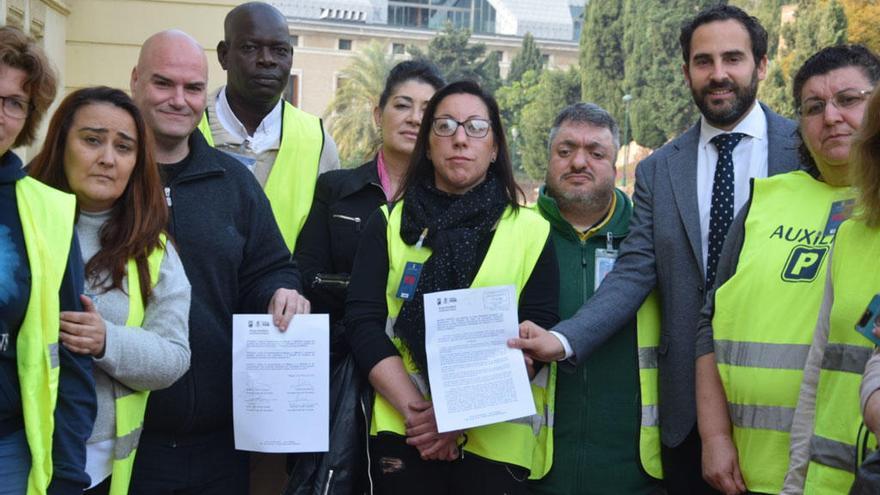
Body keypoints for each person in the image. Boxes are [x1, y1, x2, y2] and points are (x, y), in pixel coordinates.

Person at [508, 4, 800, 493]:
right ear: (686, 71)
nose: (719, 74)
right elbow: (633, 272)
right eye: (703, 61)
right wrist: (563, 340)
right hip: (686, 412)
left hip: (789, 399)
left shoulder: (804, 152)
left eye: (733, 58)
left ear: (762, 65)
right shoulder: (660, 170)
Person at [345, 80, 559, 494]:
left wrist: (455, 416)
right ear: (427, 145)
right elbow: (364, 324)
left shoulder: (532, 231)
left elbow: (539, 333)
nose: (460, 138)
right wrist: (424, 417)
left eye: (476, 127)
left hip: (496, 442)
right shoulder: (389, 224)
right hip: (407, 432)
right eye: (444, 126)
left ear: (495, 147)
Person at [126, 30, 309, 494]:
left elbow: (271, 267)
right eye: (163, 84)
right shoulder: (106, 179)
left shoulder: (233, 183)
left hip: (218, 445)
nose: (179, 100)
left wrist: (282, 291)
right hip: (122, 441)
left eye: (192, 89)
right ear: (134, 83)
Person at [692, 44, 878, 495]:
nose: (830, 116)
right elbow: (708, 323)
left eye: (849, 100)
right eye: (814, 107)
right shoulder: (763, 202)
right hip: (751, 473)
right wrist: (714, 436)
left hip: (855, 475)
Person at [287, 60, 444, 494]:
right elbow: (307, 276)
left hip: (418, 384)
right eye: (403, 105)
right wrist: (365, 300)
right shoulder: (337, 189)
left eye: (427, 110)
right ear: (379, 114)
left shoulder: (452, 204)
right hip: (340, 375)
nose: (414, 118)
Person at [28, 86, 192, 495]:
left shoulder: (153, 252)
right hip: (13, 444)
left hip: (95, 463)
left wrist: (106, 340)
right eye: (92, 140)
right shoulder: (17, 222)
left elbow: (174, 356)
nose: (107, 158)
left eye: (124, 147)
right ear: (60, 143)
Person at [528, 102, 661, 495]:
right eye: (565, 151)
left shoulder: (652, 239)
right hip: (533, 472)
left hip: (637, 474)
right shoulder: (515, 234)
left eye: (596, 152)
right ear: (548, 158)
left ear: (615, 161)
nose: (579, 162)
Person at [0, 25, 96, 495]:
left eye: (14, 102)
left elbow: (71, 362)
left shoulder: (47, 210)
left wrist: (69, 475)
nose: (0, 114)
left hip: (9, 452)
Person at [781, 67, 880, 494]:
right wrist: (795, 484)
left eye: (849, 100)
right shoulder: (852, 235)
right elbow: (815, 380)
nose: (833, 117)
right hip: (828, 482)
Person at [199, 1, 340, 253]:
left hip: (283, 290)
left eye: (280, 50)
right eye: (251, 48)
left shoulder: (317, 141)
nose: (267, 60)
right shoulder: (189, 129)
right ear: (223, 55)